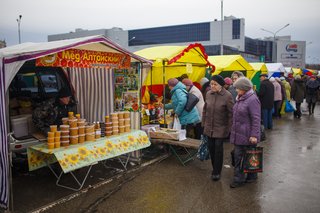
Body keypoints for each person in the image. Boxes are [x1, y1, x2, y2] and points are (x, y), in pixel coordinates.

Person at [229, 77, 261, 188]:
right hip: (239, 133)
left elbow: (256, 119)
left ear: (244, 88)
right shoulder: (241, 98)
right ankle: (252, 176)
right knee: (245, 156)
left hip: (247, 135)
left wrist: (254, 135)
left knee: (241, 157)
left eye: (237, 88)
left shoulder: (252, 99)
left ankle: (238, 180)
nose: (236, 90)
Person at [202, 75, 234, 181]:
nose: (212, 86)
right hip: (209, 127)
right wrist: (204, 123)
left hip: (221, 128)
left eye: (215, 84)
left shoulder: (227, 95)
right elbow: (205, 110)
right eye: (211, 84)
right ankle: (214, 168)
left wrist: (229, 129)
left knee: (218, 150)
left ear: (221, 85)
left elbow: (231, 114)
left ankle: (216, 172)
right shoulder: (208, 94)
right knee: (211, 149)